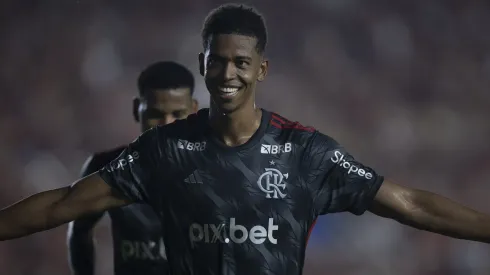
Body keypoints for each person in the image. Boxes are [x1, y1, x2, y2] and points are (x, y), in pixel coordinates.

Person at [1, 3, 490, 275]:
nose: (228, 73)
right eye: (217, 60)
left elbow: (410, 204)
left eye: (241, 62)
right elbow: (61, 206)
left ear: (261, 68)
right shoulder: (164, 151)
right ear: (202, 66)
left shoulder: (306, 152)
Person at [67, 61, 198, 275]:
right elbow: (80, 230)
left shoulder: (216, 168)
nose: (166, 125)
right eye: (156, 114)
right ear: (137, 109)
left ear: (193, 111)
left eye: (177, 114)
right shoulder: (106, 168)